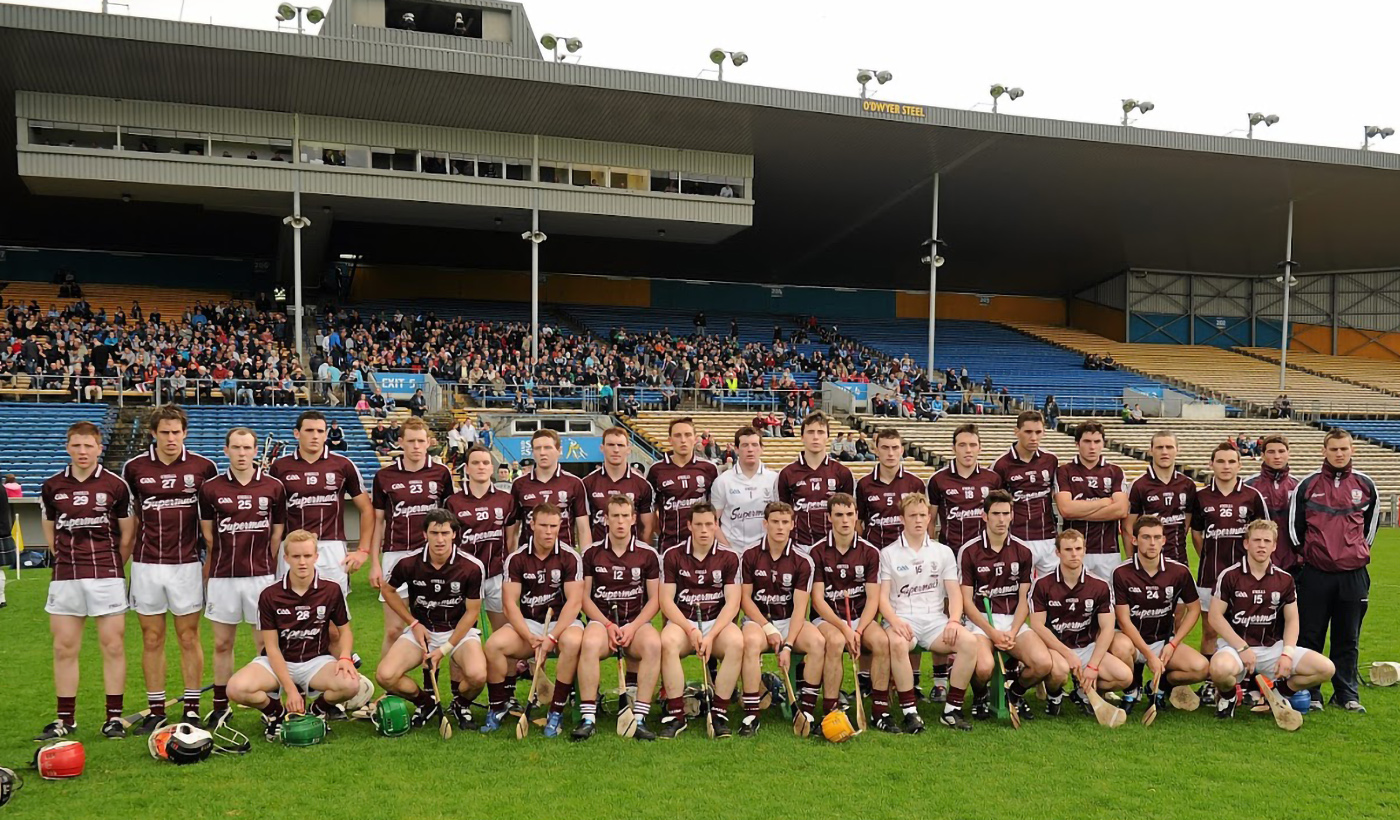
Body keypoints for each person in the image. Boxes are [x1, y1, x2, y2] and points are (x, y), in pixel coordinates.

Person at [121, 404, 219, 732]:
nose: (171, 438)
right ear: (153, 433)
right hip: (147, 565)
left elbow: (211, 519)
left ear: (185, 433)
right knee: (151, 638)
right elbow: (131, 520)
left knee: (188, 636)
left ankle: (191, 707)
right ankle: (156, 708)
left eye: (177, 432)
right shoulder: (134, 468)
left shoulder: (204, 467)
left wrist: (210, 562)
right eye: (164, 432)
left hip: (187, 564)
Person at [35, 421, 135, 741]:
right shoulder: (52, 486)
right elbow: (49, 530)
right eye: (76, 445)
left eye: (88, 445)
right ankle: (65, 719)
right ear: (68, 447)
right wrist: (66, 559)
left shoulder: (116, 485)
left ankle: (114, 718)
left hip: (106, 574)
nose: (82, 451)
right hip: (66, 577)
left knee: (113, 646)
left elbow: (128, 534)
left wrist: (110, 565)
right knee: (64, 648)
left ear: (99, 447)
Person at [226, 530, 360, 740]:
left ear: (316, 556)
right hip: (278, 661)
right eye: (296, 556)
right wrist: (290, 690)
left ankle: (316, 711)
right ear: (286, 558)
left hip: (316, 661)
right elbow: (271, 647)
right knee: (236, 688)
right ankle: (276, 714)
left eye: (307, 556)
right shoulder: (270, 594)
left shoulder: (331, 590)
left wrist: (344, 657)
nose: (302, 562)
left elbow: (345, 632)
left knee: (351, 684)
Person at [198, 427, 287, 730]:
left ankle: (271, 704)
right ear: (226, 451)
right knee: (223, 643)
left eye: (247, 448)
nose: (241, 453)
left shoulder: (273, 486)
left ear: (254, 450)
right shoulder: (211, 488)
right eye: (235, 448)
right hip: (223, 577)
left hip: (261, 577)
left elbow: (276, 534)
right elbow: (209, 536)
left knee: (265, 643)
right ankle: (221, 706)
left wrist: (265, 564)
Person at [1207, 520, 1336, 720]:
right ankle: (1228, 697)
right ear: (1246, 543)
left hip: (1271, 649)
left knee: (1326, 668)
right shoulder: (1230, 575)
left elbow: (1292, 620)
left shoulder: (1285, 579)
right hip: (1235, 648)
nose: (1262, 545)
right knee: (1219, 670)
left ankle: (1278, 693)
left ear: (1274, 546)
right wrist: (1242, 647)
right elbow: (1215, 617)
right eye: (1256, 540)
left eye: (1267, 541)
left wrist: (1287, 654)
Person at [1289, 428, 1378, 713]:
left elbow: (1370, 531)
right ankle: (1311, 692)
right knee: (1310, 635)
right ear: (1324, 452)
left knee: (1348, 636)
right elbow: (1295, 531)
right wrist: (1314, 557)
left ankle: (1346, 693)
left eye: (1344, 449)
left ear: (1353, 450)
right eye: (1334, 449)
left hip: (1353, 576)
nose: (1339, 454)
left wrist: (1353, 555)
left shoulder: (1366, 485)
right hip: (1315, 574)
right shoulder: (1307, 485)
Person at [375, 510, 487, 731]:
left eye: (445, 532)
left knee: (477, 675)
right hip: (422, 630)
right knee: (385, 676)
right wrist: (413, 623)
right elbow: (388, 590)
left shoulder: (471, 566)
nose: (440, 539)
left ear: (454, 534)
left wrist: (444, 649)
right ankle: (426, 704)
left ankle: (461, 704)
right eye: (434, 533)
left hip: (458, 632)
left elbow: (472, 613)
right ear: (425, 533)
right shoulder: (408, 562)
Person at [481, 503, 586, 738]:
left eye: (553, 526)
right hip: (529, 623)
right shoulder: (516, 558)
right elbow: (509, 605)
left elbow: (574, 603)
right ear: (532, 525)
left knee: (572, 643)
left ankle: (556, 711)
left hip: (563, 624)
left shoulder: (571, 557)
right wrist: (530, 637)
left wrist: (552, 637)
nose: (548, 531)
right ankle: (498, 706)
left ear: (560, 526)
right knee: (494, 645)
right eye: (543, 526)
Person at [881, 493, 976, 733]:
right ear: (902, 519)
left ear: (929, 517)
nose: (918, 520)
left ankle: (951, 710)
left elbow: (954, 594)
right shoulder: (889, 553)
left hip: (935, 621)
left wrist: (954, 620)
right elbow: (882, 598)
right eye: (912, 515)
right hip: (902, 618)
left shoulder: (942, 552)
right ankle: (910, 712)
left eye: (923, 515)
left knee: (969, 642)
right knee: (897, 643)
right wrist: (893, 621)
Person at [367, 417, 457, 661]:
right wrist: (375, 562)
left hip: (432, 556)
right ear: (400, 442)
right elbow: (378, 522)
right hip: (396, 554)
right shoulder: (384, 476)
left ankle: (432, 686)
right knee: (395, 629)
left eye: (421, 441)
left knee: (435, 628)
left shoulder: (441, 473)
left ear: (428, 442)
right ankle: (388, 686)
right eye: (410, 441)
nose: (416, 446)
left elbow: (450, 518)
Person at [959, 490, 1052, 723]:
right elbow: (966, 603)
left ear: (1012, 516)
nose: (1001, 519)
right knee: (983, 668)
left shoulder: (1023, 551)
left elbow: (1024, 600)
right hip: (980, 621)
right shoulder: (969, 551)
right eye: (996, 514)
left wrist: (1011, 631)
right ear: (984, 516)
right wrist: (992, 632)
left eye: (1006, 514)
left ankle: (1015, 693)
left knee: (1043, 664)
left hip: (1012, 620)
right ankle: (981, 695)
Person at [575, 495, 663, 741]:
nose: (620, 522)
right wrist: (608, 624)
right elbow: (584, 598)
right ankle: (588, 717)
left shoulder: (648, 554)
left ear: (634, 519)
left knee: (654, 644)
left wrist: (633, 627)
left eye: (626, 516)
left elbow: (655, 599)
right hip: (601, 622)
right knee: (590, 644)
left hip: (636, 622)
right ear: (606, 519)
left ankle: (640, 717)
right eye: (615, 516)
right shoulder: (591, 553)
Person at [808, 493, 896, 731]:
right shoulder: (816, 552)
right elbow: (817, 600)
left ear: (857, 516)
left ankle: (880, 710)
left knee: (881, 641)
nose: (845, 520)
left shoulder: (870, 552)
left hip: (860, 617)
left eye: (849, 514)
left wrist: (857, 630)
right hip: (828, 619)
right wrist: (844, 628)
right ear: (829, 518)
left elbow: (873, 598)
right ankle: (830, 710)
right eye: (839, 515)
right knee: (835, 642)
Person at [657, 503, 744, 738]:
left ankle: (719, 713)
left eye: (709, 524)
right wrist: (691, 630)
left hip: (717, 622)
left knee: (736, 642)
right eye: (699, 525)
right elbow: (666, 601)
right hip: (683, 622)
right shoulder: (673, 555)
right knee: (667, 642)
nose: (704, 530)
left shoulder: (729, 556)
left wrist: (711, 634)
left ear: (716, 525)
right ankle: (676, 715)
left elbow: (733, 603)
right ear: (689, 526)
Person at [1190, 442, 1268, 702]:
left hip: (1244, 577)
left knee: (1244, 628)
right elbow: (1197, 534)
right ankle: (1212, 683)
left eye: (1231, 461)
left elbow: (1263, 533)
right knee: (1210, 630)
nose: (1226, 466)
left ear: (1239, 464)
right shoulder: (1201, 497)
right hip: (1210, 576)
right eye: (1220, 461)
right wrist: (1210, 558)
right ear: (1211, 465)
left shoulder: (1252, 496)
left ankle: (1245, 683)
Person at [738, 502, 824, 734]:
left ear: (792, 525)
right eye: (775, 522)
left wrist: (788, 644)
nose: (780, 527)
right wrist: (768, 629)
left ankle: (805, 711)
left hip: (789, 620)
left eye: (785, 522)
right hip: (758, 621)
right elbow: (745, 599)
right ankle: (751, 715)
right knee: (751, 643)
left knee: (817, 643)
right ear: (765, 524)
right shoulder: (749, 555)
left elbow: (800, 608)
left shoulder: (803, 560)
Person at [1112, 515, 1210, 715]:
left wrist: (1173, 644)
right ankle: (1131, 690)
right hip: (1129, 639)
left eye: (1157, 537)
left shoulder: (1179, 571)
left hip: (1162, 641)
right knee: (1121, 648)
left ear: (1164, 540)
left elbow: (1194, 609)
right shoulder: (1121, 572)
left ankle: (1158, 688)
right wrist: (1149, 656)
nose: (1152, 543)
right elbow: (1123, 619)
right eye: (1146, 537)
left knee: (1201, 668)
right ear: (1134, 540)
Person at [268, 410, 373, 595]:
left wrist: (363, 550)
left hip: (332, 547)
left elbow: (366, 508)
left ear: (326, 434)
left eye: (320, 431)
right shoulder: (279, 467)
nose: (315, 436)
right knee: (290, 611)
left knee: (333, 614)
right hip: (293, 547)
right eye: (309, 430)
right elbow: (271, 515)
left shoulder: (343, 465)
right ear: (296, 433)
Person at [1029, 530, 1132, 716]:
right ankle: (1054, 696)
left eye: (1078, 548)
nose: (1074, 554)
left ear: (1085, 550)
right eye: (1068, 549)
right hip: (1055, 647)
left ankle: (1081, 693)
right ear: (1058, 553)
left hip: (1087, 647)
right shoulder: (1042, 584)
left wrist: (1092, 666)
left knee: (1124, 677)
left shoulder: (1100, 585)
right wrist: (1066, 653)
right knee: (1059, 671)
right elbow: (1037, 625)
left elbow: (1108, 628)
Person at [445, 445, 517, 635]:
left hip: (497, 576)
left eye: (486, 463)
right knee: (463, 637)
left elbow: (510, 540)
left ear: (492, 468)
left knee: (504, 634)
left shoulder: (506, 500)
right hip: (464, 577)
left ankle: (508, 666)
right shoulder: (453, 502)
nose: (481, 467)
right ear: (467, 468)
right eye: (475, 463)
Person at [1053, 422, 1127, 581]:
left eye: (1097, 441)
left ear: (1103, 444)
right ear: (1077, 444)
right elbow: (1066, 510)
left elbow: (1120, 510)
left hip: (1108, 551)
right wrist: (1104, 502)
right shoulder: (1064, 471)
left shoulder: (1115, 472)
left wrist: (1079, 510)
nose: (1092, 447)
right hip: (1074, 551)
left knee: (1108, 601)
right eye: (1087, 441)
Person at [992, 411, 1060, 578]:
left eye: (1038, 432)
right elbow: (994, 505)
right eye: (1028, 432)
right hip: (1017, 537)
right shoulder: (1001, 465)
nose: (1034, 437)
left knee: (1053, 591)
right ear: (1017, 432)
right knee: (1017, 591)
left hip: (1048, 538)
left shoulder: (1051, 460)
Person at [776, 411, 854, 551]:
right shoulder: (787, 473)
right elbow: (782, 514)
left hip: (833, 547)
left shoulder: (842, 473)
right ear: (802, 437)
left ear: (827, 437)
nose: (816, 437)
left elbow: (850, 514)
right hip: (799, 546)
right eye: (810, 432)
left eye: (820, 432)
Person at [1124, 429, 1196, 566]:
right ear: (1150, 451)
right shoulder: (1139, 485)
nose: (1164, 452)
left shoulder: (1188, 485)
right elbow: (1128, 527)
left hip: (1178, 560)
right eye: (1159, 447)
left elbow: (1185, 525)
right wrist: (1130, 561)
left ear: (1177, 450)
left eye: (1169, 447)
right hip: (1147, 562)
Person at [510, 429, 591, 551]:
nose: (542, 453)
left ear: (559, 451)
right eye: (538, 448)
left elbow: (583, 529)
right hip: (528, 558)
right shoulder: (519, 484)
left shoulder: (574, 483)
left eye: (548, 447)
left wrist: (585, 561)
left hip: (565, 558)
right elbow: (513, 531)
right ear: (532, 452)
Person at [647, 417, 720, 551]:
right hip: (669, 546)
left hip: (703, 547)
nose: (683, 440)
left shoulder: (709, 468)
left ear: (695, 438)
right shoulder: (656, 470)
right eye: (677, 435)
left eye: (687, 435)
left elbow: (716, 509)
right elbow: (651, 510)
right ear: (670, 440)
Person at [928, 423, 1004, 553]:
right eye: (962, 445)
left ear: (980, 448)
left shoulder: (993, 479)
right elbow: (930, 520)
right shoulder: (938, 480)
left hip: (985, 553)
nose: (968, 450)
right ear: (954, 448)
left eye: (973, 445)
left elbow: (1001, 516)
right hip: (950, 553)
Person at [709, 425, 777, 552]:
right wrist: (729, 550)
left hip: (765, 553)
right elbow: (712, 522)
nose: (750, 450)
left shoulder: (774, 479)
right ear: (736, 449)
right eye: (745, 445)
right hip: (733, 551)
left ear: (761, 448)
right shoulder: (723, 481)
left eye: (755, 445)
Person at [582, 427, 655, 545]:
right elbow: (584, 527)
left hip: (632, 556)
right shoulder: (587, 483)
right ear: (602, 448)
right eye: (610, 445)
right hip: (598, 555)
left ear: (628, 449)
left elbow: (647, 528)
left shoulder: (642, 484)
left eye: (620, 445)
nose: (616, 450)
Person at [855, 428, 925, 549]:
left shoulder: (915, 483)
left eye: (895, 448)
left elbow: (922, 520)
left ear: (902, 450)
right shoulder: (864, 484)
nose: (890, 453)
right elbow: (857, 522)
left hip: (906, 552)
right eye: (885, 448)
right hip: (875, 552)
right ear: (876, 451)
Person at [1243, 435, 1300, 572]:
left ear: (1288, 454)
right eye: (1271, 452)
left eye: (1281, 451)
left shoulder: (1299, 487)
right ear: (1262, 455)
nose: (1277, 456)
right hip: (1258, 562)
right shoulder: (1249, 486)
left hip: (1292, 562)